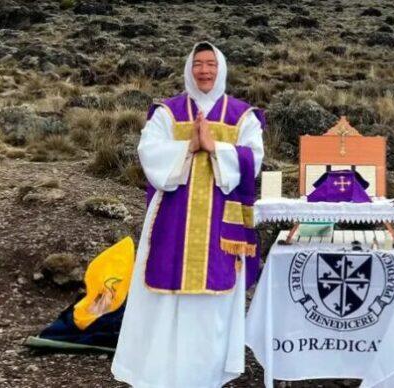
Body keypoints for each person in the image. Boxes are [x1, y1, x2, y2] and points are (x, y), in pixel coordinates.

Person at [111, 41, 265, 388]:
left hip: (220, 223)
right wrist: (189, 146)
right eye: (198, 64)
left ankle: (205, 376)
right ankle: (161, 374)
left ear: (221, 68)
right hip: (172, 219)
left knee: (213, 302)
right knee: (166, 299)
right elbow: (148, 151)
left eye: (211, 64)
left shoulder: (242, 115)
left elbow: (254, 159)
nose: (205, 70)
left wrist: (216, 148)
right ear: (189, 68)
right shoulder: (168, 111)